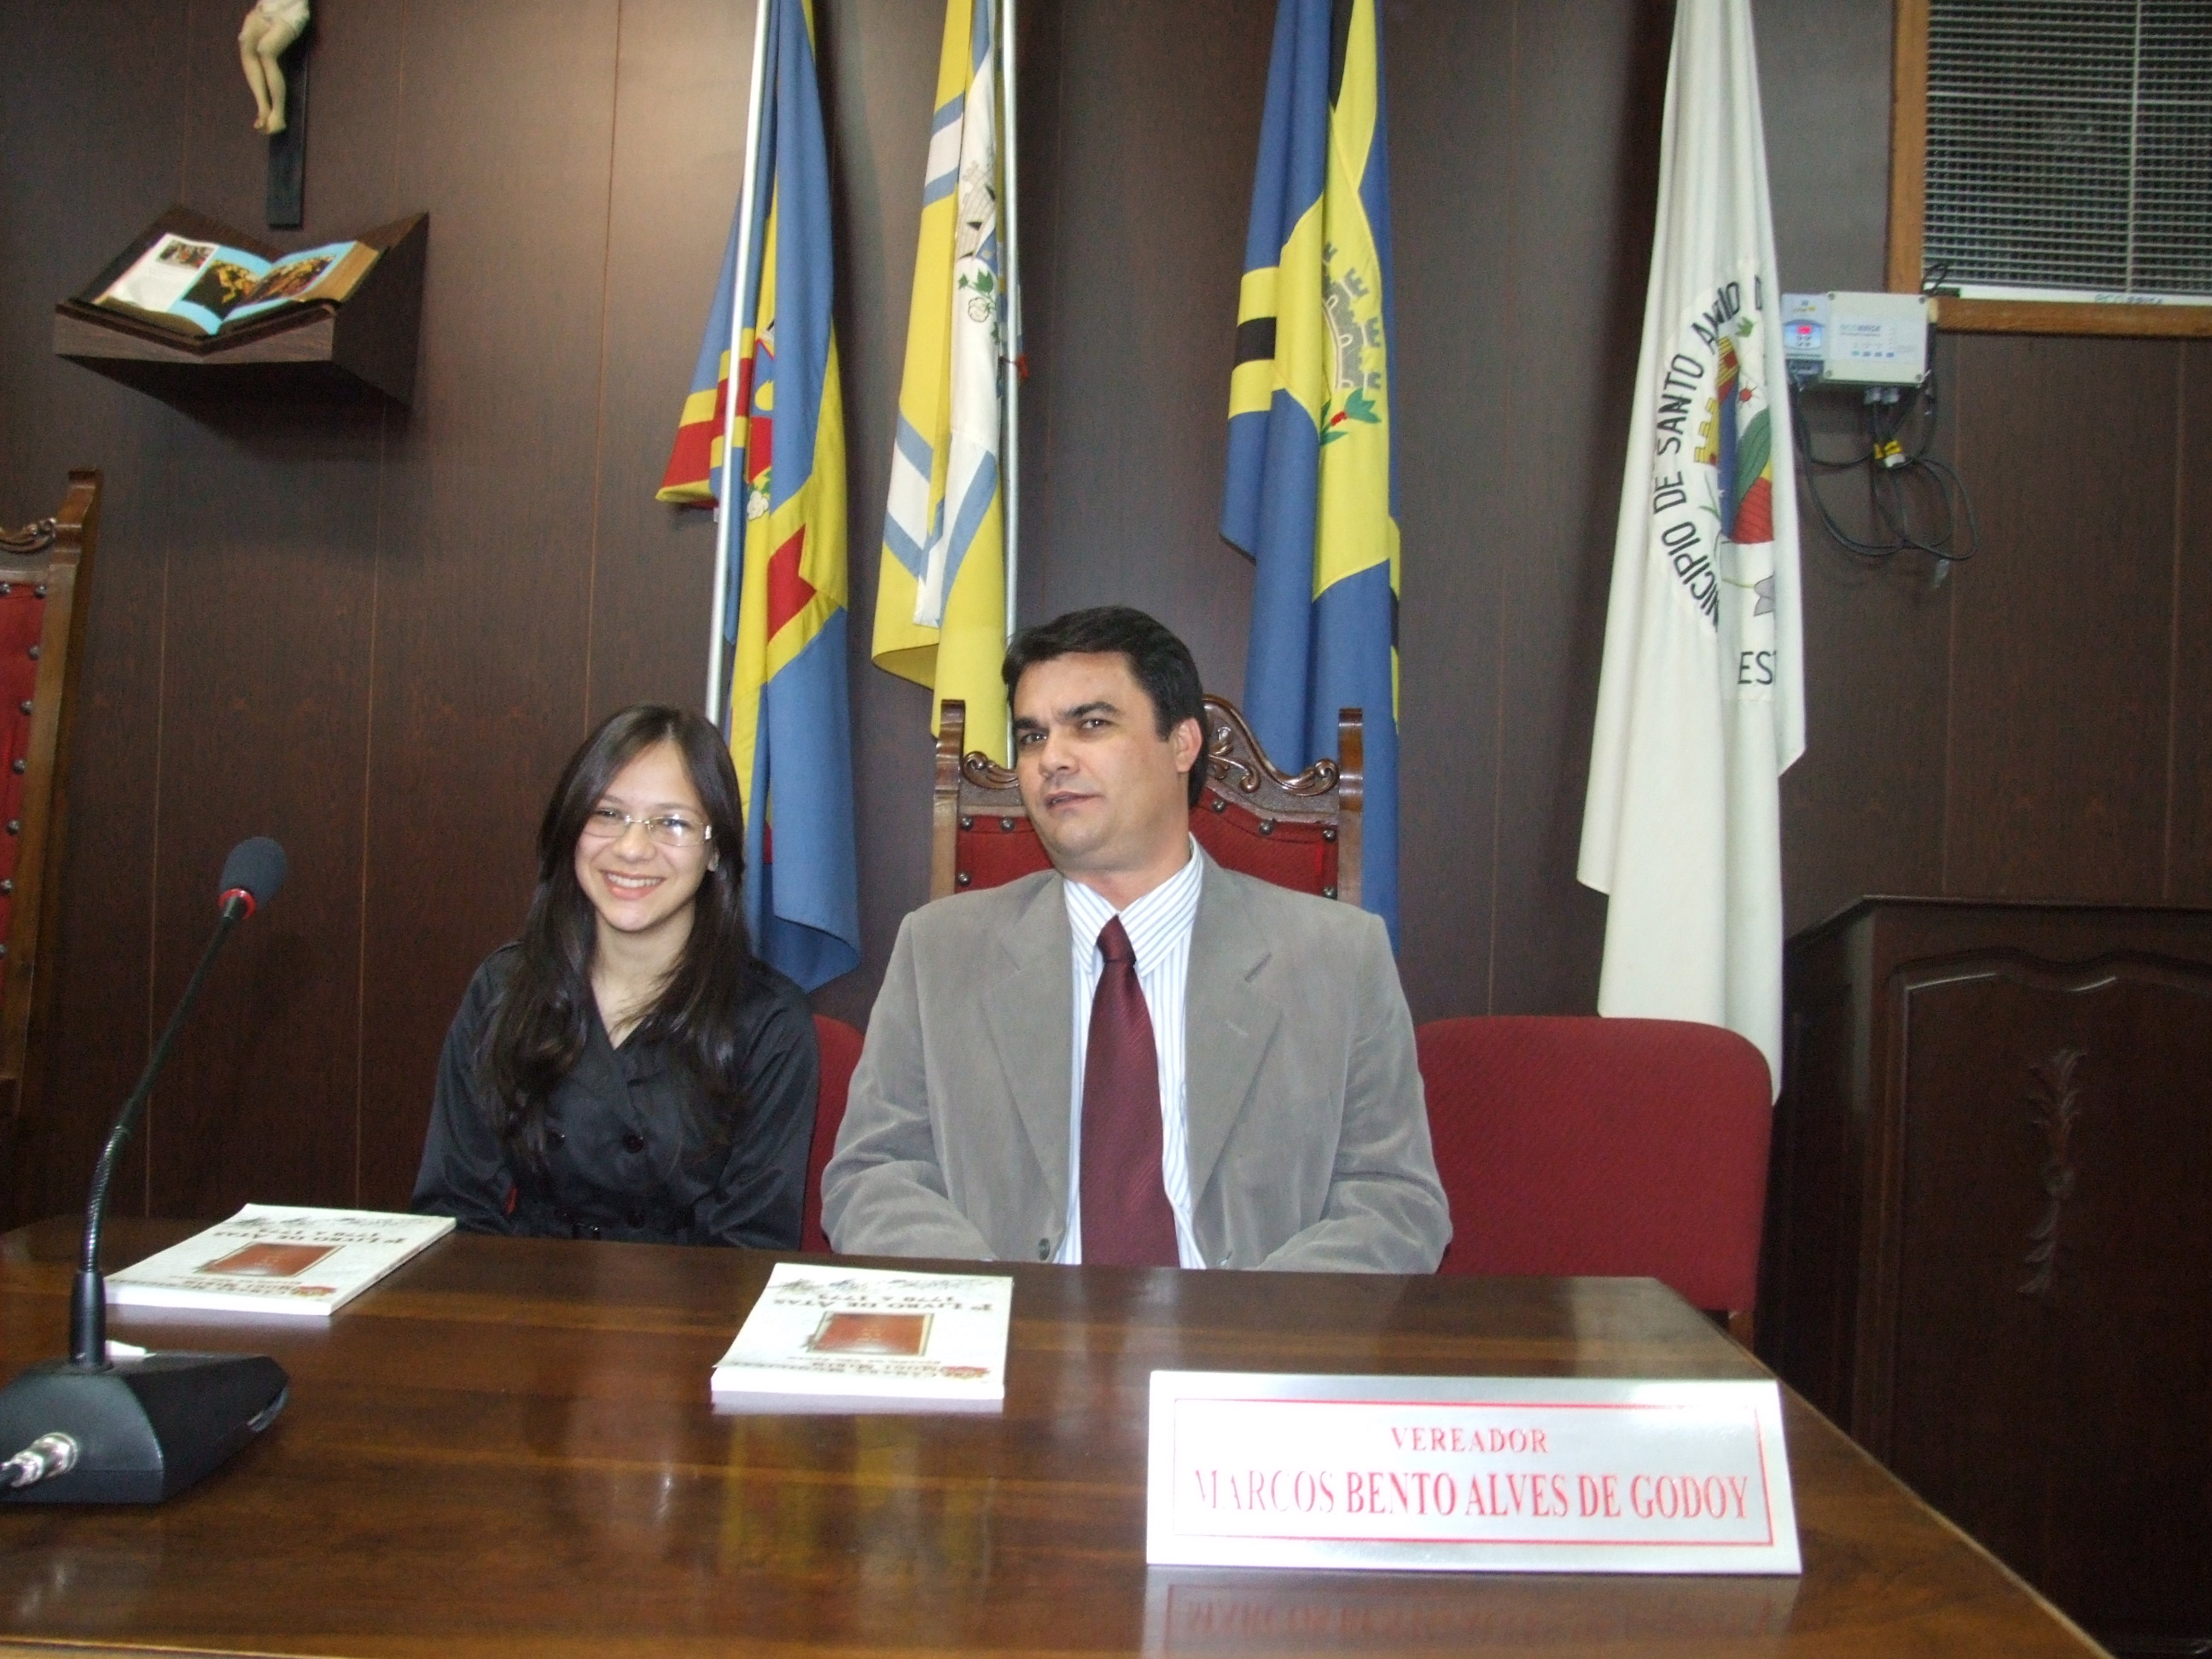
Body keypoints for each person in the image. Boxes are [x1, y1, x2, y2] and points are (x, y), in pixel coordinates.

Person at [822, 607, 1449, 1272]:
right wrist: (992, 1304)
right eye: (1032, 736)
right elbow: (874, 1173)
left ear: (1183, 744)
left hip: (1246, 1325)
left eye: (1091, 724)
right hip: (1013, 1322)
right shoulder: (940, 951)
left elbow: (1394, 1202)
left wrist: (1252, 1321)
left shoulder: (1338, 959)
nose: (1052, 759)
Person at [412, 705, 818, 1247]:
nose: (631, 849)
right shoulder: (505, 988)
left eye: (671, 823)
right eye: (607, 814)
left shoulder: (769, 1021)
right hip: (521, 1292)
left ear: (715, 850)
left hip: (699, 1300)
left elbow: (752, 1247)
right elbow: (454, 1210)